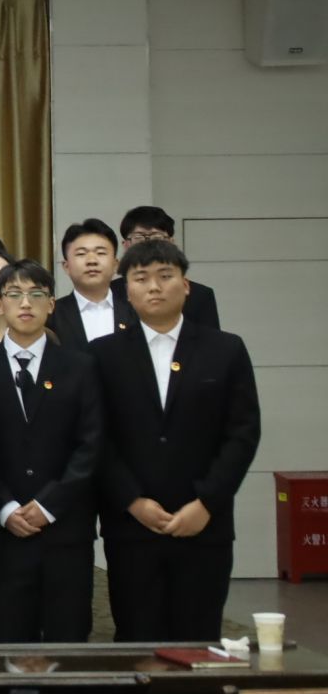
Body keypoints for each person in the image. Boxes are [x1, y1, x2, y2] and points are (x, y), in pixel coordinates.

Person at [92, 239, 259, 641]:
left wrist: (207, 502)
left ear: (185, 286)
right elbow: (96, 436)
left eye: (165, 276)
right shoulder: (102, 355)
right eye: (141, 278)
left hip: (204, 525)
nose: (154, 286)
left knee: (199, 637)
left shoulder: (226, 349)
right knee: (137, 637)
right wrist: (132, 501)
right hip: (131, 527)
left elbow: (243, 432)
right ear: (126, 290)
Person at [0, 260, 104, 644]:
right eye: (15, 294)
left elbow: (91, 444)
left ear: (51, 304)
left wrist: (49, 504)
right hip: (2, 533)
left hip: (66, 529)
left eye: (36, 294)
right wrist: (5, 507)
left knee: (68, 635)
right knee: (6, 637)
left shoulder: (80, 367)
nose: (26, 303)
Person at [117, 207, 221, 329]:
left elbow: (210, 338)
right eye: (139, 238)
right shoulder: (111, 293)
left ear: (171, 242)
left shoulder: (200, 295)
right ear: (125, 245)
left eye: (156, 237)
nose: (148, 245)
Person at [53, 218, 134, 350]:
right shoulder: (51, 316)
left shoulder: (137, 312)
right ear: (66, 267)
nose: (92, 260)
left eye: (100, 253)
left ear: (115, 265)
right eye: (81, 254)